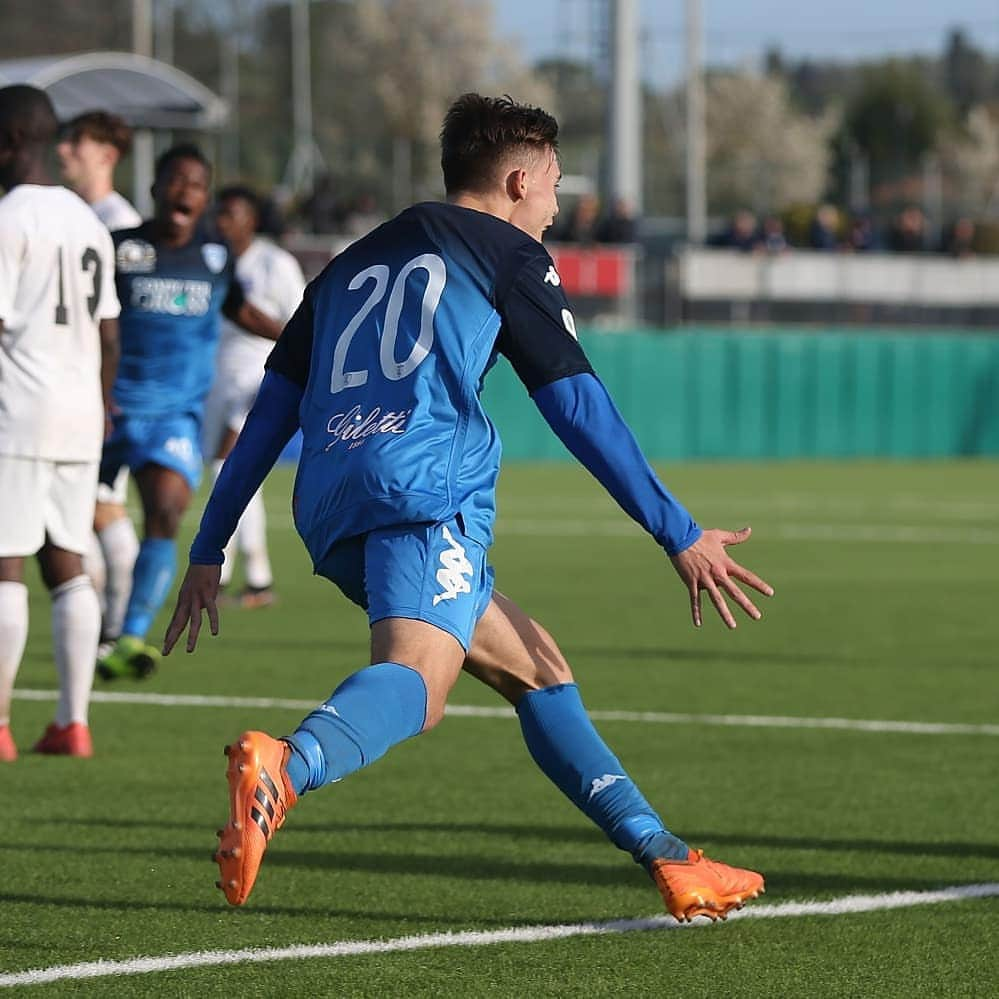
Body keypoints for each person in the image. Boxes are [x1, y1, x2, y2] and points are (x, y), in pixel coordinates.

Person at [163, 94, 774, 923]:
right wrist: (677, 531)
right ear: (519, 180)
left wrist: (210, 544)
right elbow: (577, 405)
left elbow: (271, 414)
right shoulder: (506, 255)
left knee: (535, 666)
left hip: (331, 503)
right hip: (423, 493)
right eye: (554, 187)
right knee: (419, 681)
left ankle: (668, 856)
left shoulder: (346, 262)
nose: (557, 209)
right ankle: (289, 764)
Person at [96, 145, 282, 681]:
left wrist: (298, 340)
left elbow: (241, 311)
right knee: (65, 533)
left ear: (204, 198)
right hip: (105, 412)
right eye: (176, 181)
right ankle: (92, 620)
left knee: (166, 514)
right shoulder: (119, 250)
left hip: (173, 418)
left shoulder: (215, 255)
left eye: (196, 185)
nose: (185, 191)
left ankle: (129, 636)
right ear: (154, 189)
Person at [0, 85, 120, 759]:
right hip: (79, 413)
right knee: (68, 562)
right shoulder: (87, 222)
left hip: (17, 410)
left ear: (10, 141)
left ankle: (1, 726)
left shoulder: (7, 218)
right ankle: (72, 722)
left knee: (5, 564)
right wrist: (100, 409)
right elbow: (109, 336)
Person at [56, 110, 142, 657]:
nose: (64, 151)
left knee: (98, 507)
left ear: (106, 155)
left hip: (105, 389)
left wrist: (111, 390)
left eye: (76, 143)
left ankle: (116, 627)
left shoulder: (120, 224)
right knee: (85, 509)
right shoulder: (77, 214)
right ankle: (108, 626)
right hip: (74, 385)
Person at [202, 185, 306, 607]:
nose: (221, 222)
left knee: (230, 465)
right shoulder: (212, 259)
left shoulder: (274, 263)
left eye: (231, 214)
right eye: (219, 214)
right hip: (216, 376)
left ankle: (234, 575)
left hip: (259, 376)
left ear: (252, 220)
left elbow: (301, 320)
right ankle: (254, 576)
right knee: (221, 466)